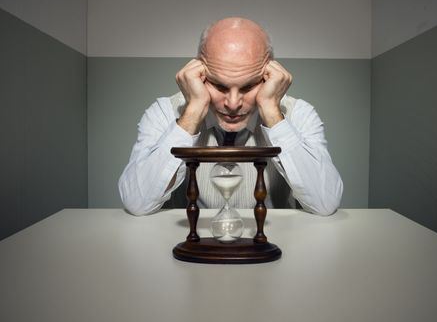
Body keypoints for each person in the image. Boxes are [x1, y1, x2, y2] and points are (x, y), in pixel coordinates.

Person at [119, 17, 343, 216]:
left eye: (249, 86)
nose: (233, 104)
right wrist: (194, 110)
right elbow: (137, 203)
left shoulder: (298, 114)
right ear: (198, 73)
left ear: (270, 75)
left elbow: (325, 203)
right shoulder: (166, 112)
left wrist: (273, 114)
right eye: (219, 85)